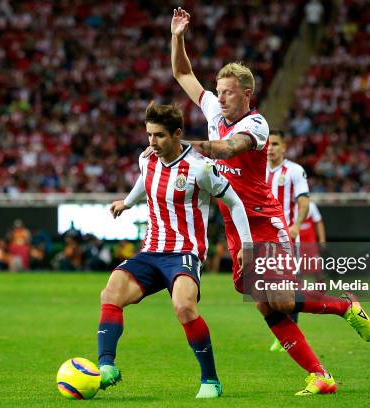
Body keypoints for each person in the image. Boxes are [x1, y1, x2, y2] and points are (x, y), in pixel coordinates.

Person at [170, 7, 370, 396]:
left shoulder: (257, 124)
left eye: (229, 92)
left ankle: (345, 305)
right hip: (234, 225)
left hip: (265, 222)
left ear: (247, 94)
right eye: (220, 90)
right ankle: (321, 376)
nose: (221, 97)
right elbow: (182, 74)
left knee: (278, 299)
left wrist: (185, 147)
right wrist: (178, 36)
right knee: (266, 307)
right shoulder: (213, 109)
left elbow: (230, 150)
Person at [97, 103, 253, 399]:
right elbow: (146, 179)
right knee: (111, 292)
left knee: (183, 307)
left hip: (185, 252)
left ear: (178, 134)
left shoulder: (200, 168)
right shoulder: (147, 159)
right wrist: (128, 202)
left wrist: (246, 243)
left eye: (159, 136)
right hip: (152, 250)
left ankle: (210, 380)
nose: (152, 143)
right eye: (149, 135)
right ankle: (107, 367)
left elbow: (234, 201)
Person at [266, 130, 309, 351]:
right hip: (263, 238)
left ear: (284, 147)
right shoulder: (259, 170)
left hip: (287, 238)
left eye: (275, 144)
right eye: (268, 144)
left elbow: (303, 202)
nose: (270, 148)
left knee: (288, 286)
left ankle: (290, 334)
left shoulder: (294, 171)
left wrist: (296, 225)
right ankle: (283, 333)